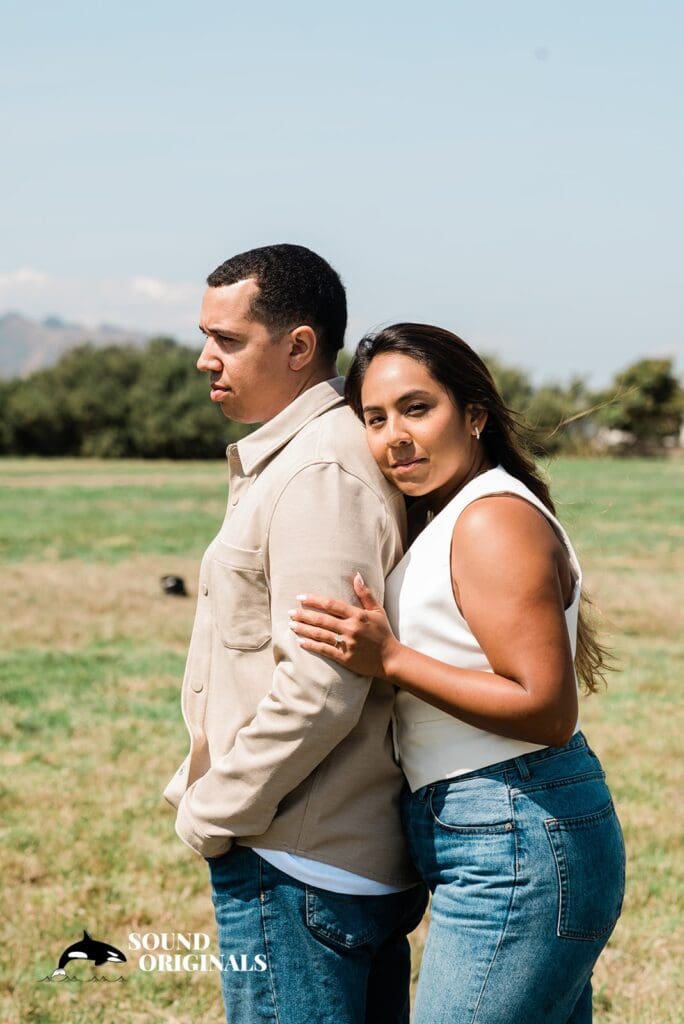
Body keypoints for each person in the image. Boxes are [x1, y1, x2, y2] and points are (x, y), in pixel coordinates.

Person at [289, 323, 626, 1024]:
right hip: (500, 829)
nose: (393, 437)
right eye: (374, 419)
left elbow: (545, 707)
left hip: (518, 832)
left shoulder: (490, 520)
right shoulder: (455, 514)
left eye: (418, 408)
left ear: (474, 414)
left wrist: (391, 659)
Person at [163, 249, 427, 1024]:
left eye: (228, 339)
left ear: (299, 347)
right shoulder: (306, 457)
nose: (206, 358)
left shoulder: (319, 472)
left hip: (296, 863)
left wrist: (216, 813)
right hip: (316, 858)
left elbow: (321, 684)